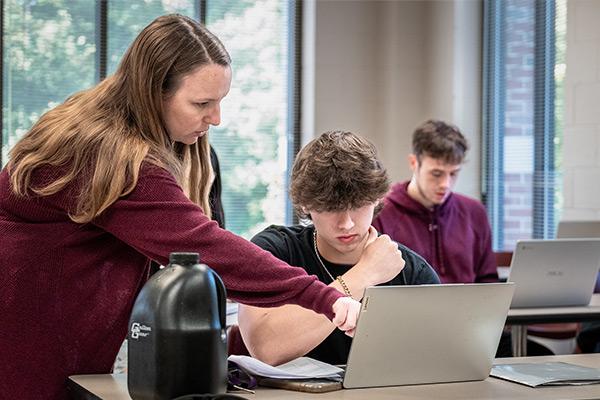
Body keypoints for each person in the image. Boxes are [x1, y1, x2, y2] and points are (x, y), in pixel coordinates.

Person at [0, 15, 360, 399]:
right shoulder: (114, 156)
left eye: (220, 102)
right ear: (153, 92)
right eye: (202, 103)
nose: (216, 119)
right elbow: (205, 246)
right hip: (26, 340)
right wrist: (325, 297)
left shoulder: (102, 120)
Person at [237, 131, 440, 366]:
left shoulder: (411, 270)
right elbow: (265, 348)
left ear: (376, 198)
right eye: (331, 208)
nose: (347, 223)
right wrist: (363, 276)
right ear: (306, 204)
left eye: (358, 206)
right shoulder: (275, 251)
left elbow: (435, 360)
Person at [372, 119, 498, 284]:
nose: (445, 184)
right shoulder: (381, 212)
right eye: (436, 174)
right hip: (408, 309)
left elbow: (488, 281)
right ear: (413, 163)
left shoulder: (474, 212)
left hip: (468, 309)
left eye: (453, 174)